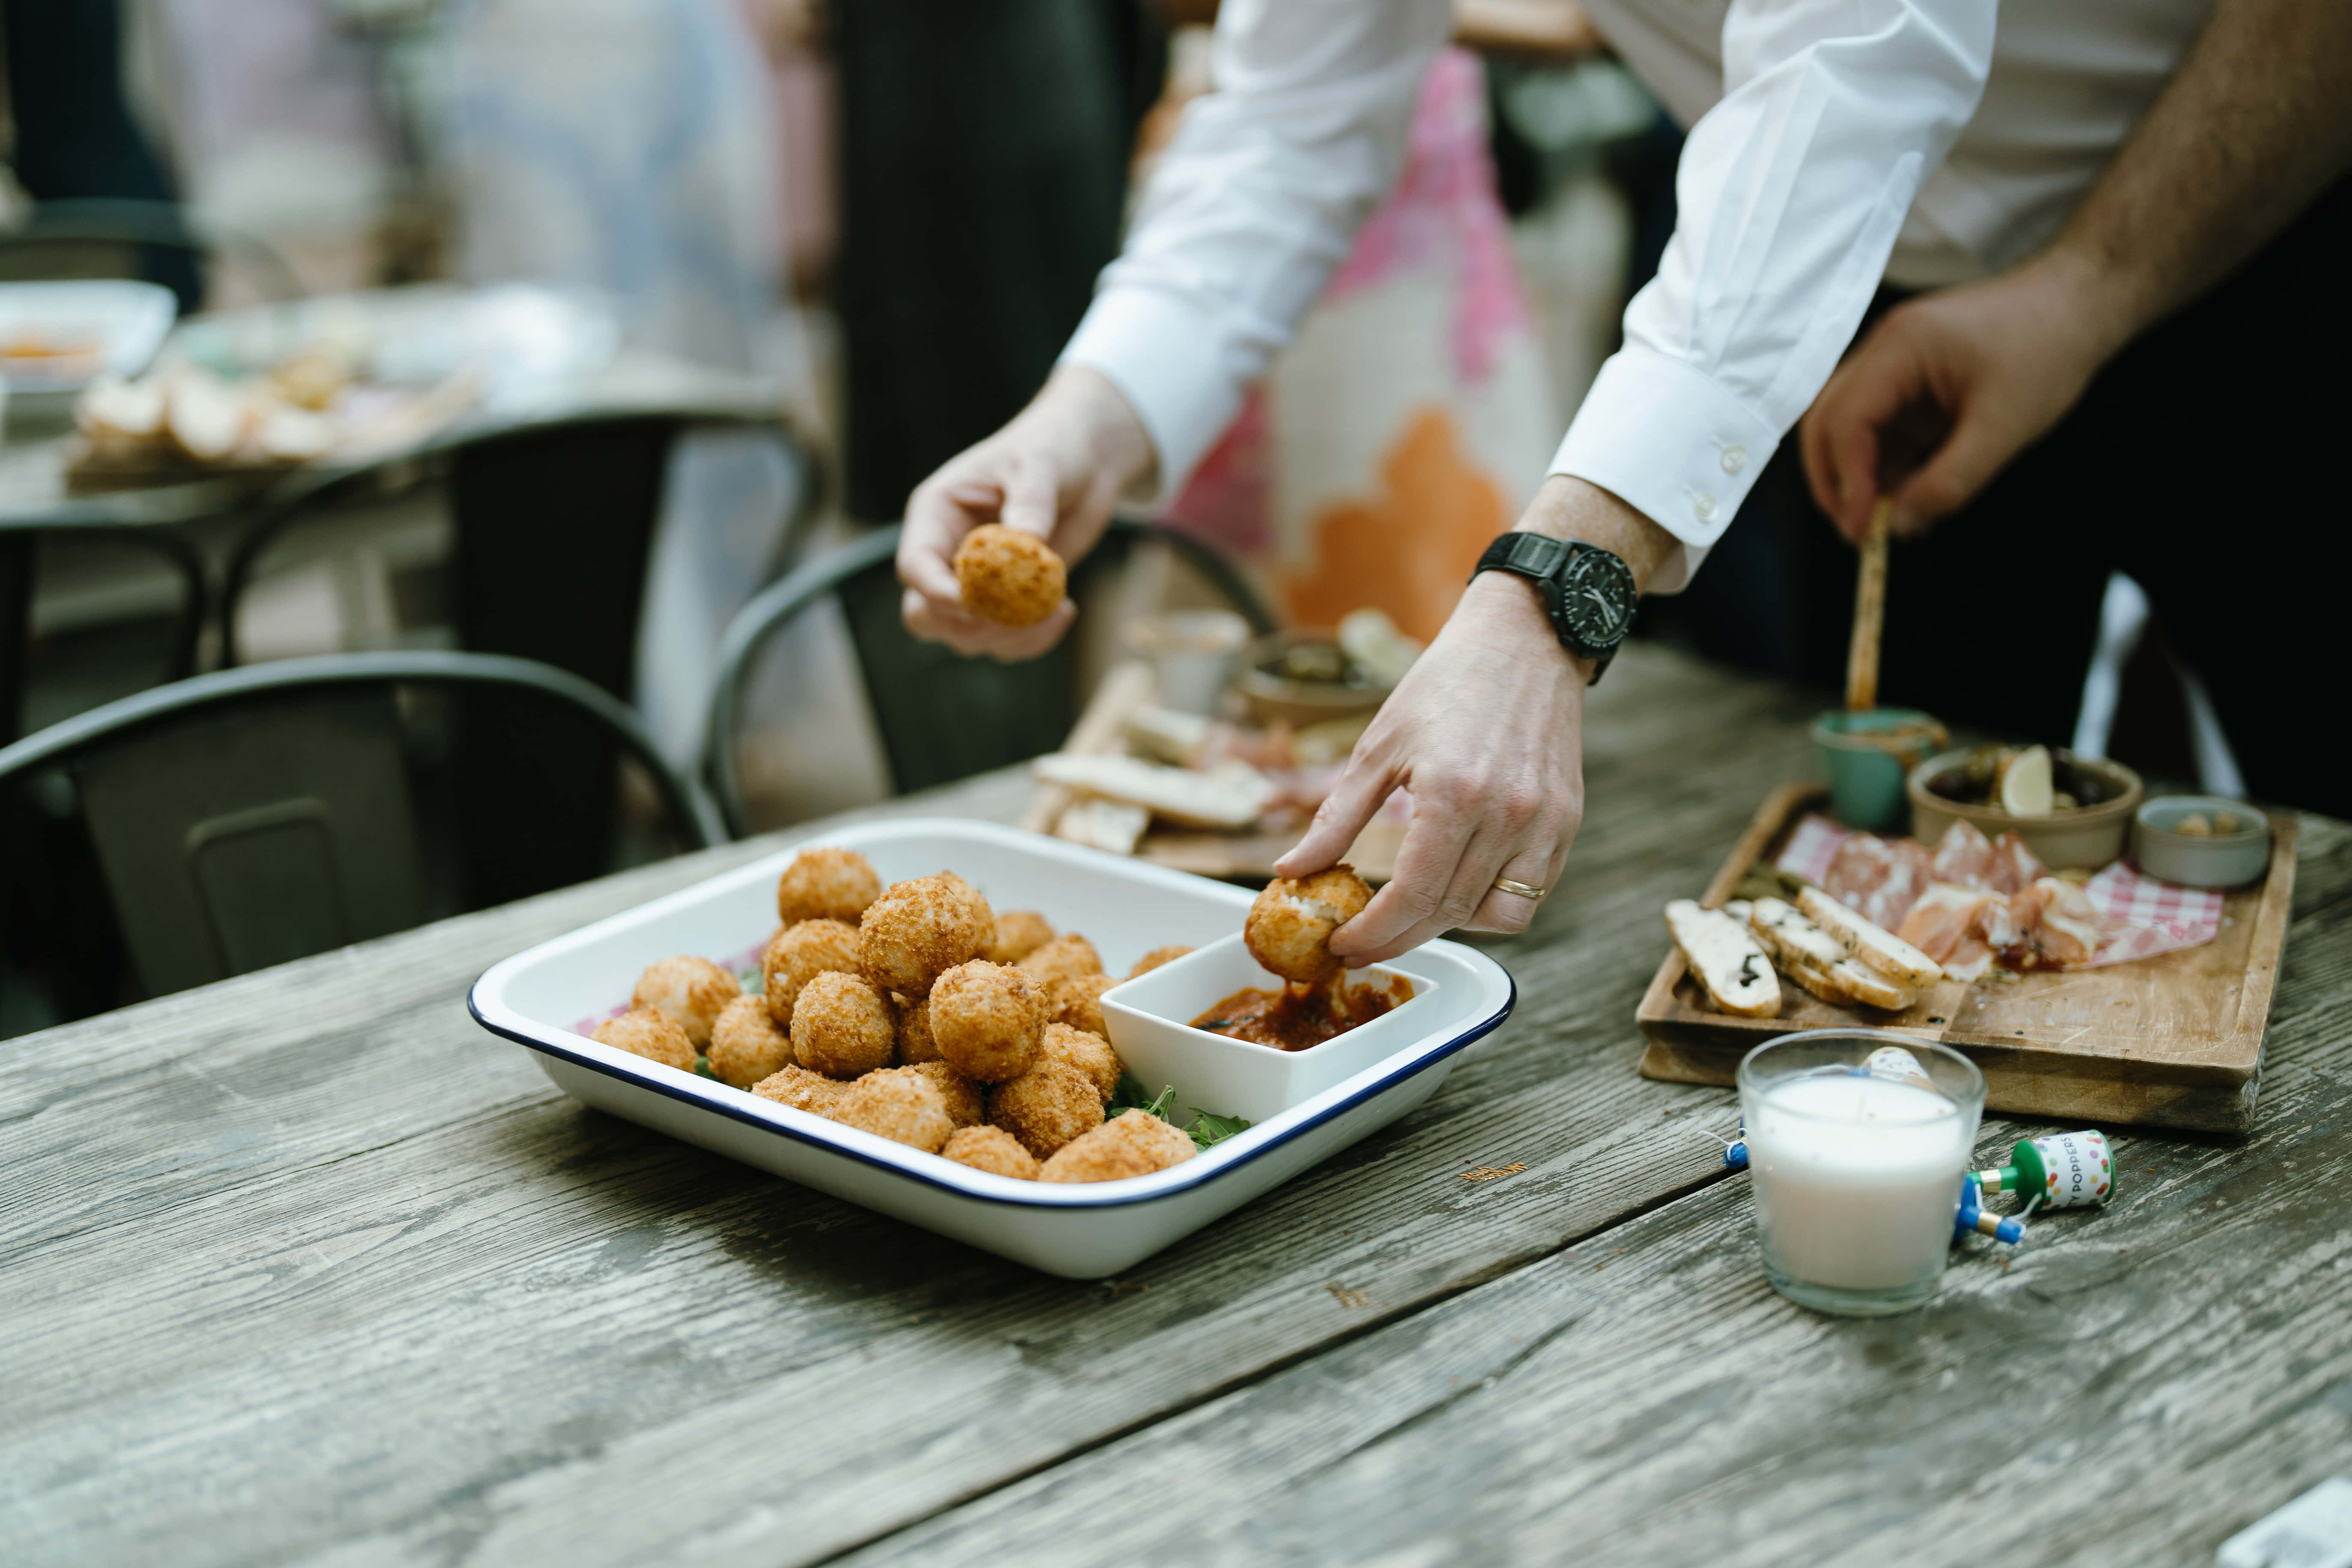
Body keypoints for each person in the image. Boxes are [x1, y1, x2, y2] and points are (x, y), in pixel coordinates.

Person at [896, 0, 2352, 965]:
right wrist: (1087, 415)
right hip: (1848, 318)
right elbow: (1290, 119)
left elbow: (1854, 53)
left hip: (2277, 240)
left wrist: (1556, 583)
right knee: (1931, 928)